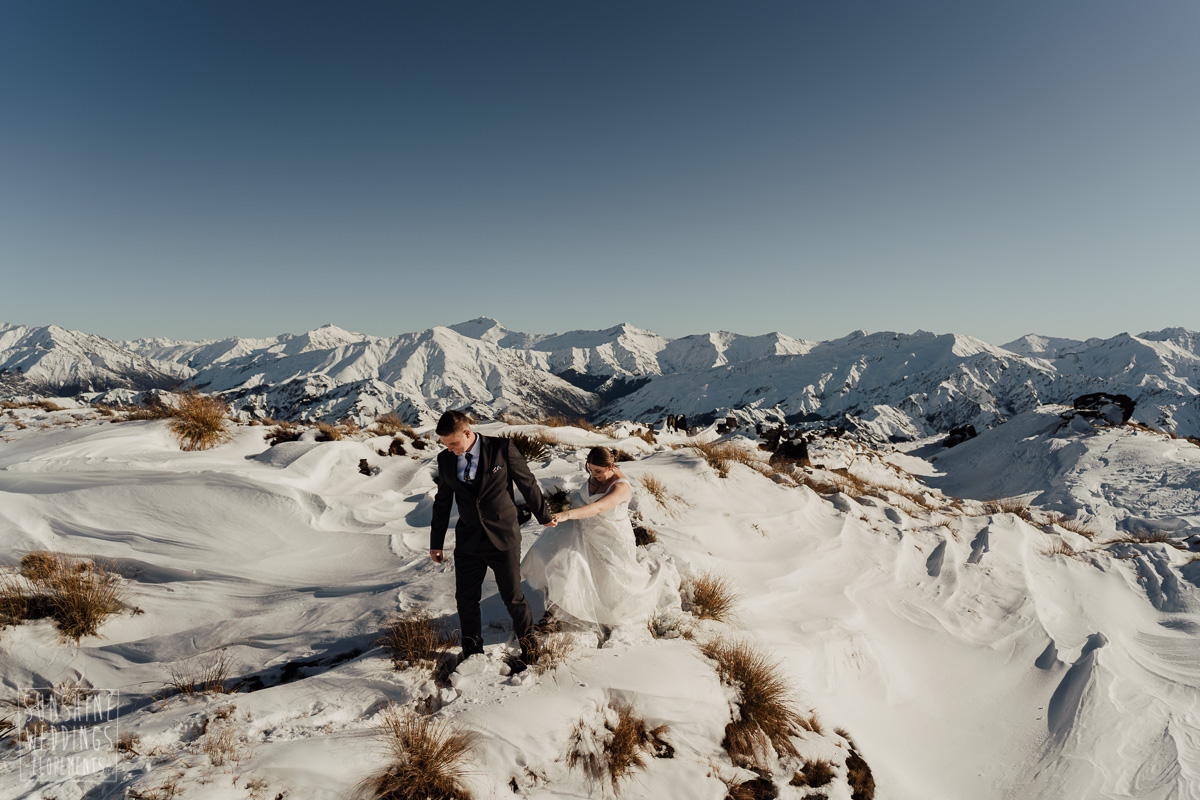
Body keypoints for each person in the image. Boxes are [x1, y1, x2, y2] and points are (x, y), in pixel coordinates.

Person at [430, 410, 551, 670]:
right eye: (445, 444)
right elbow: (442, 502)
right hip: (468, 540)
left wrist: (544, 516)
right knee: (465, 598)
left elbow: (527, 483)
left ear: (467, 432)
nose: (450, 449)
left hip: (503, 537)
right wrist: (436, 542)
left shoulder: (501, 449)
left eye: (453, 443)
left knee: (513, 597)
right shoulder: (445, 459)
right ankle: (472, 652)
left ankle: (530, 649)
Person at [522, 446, 679, 632]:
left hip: (609, 538)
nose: (593, 475)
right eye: (590, 470)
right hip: (582, 531)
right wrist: (563, 503)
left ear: (611, 466)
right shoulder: (597, 474)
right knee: (566, 564)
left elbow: (597, 508)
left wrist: (566, 515)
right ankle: (555, 613)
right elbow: (584, 499)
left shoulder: (621, 488)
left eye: (598, 471)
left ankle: (600, 611)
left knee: (609, 580)